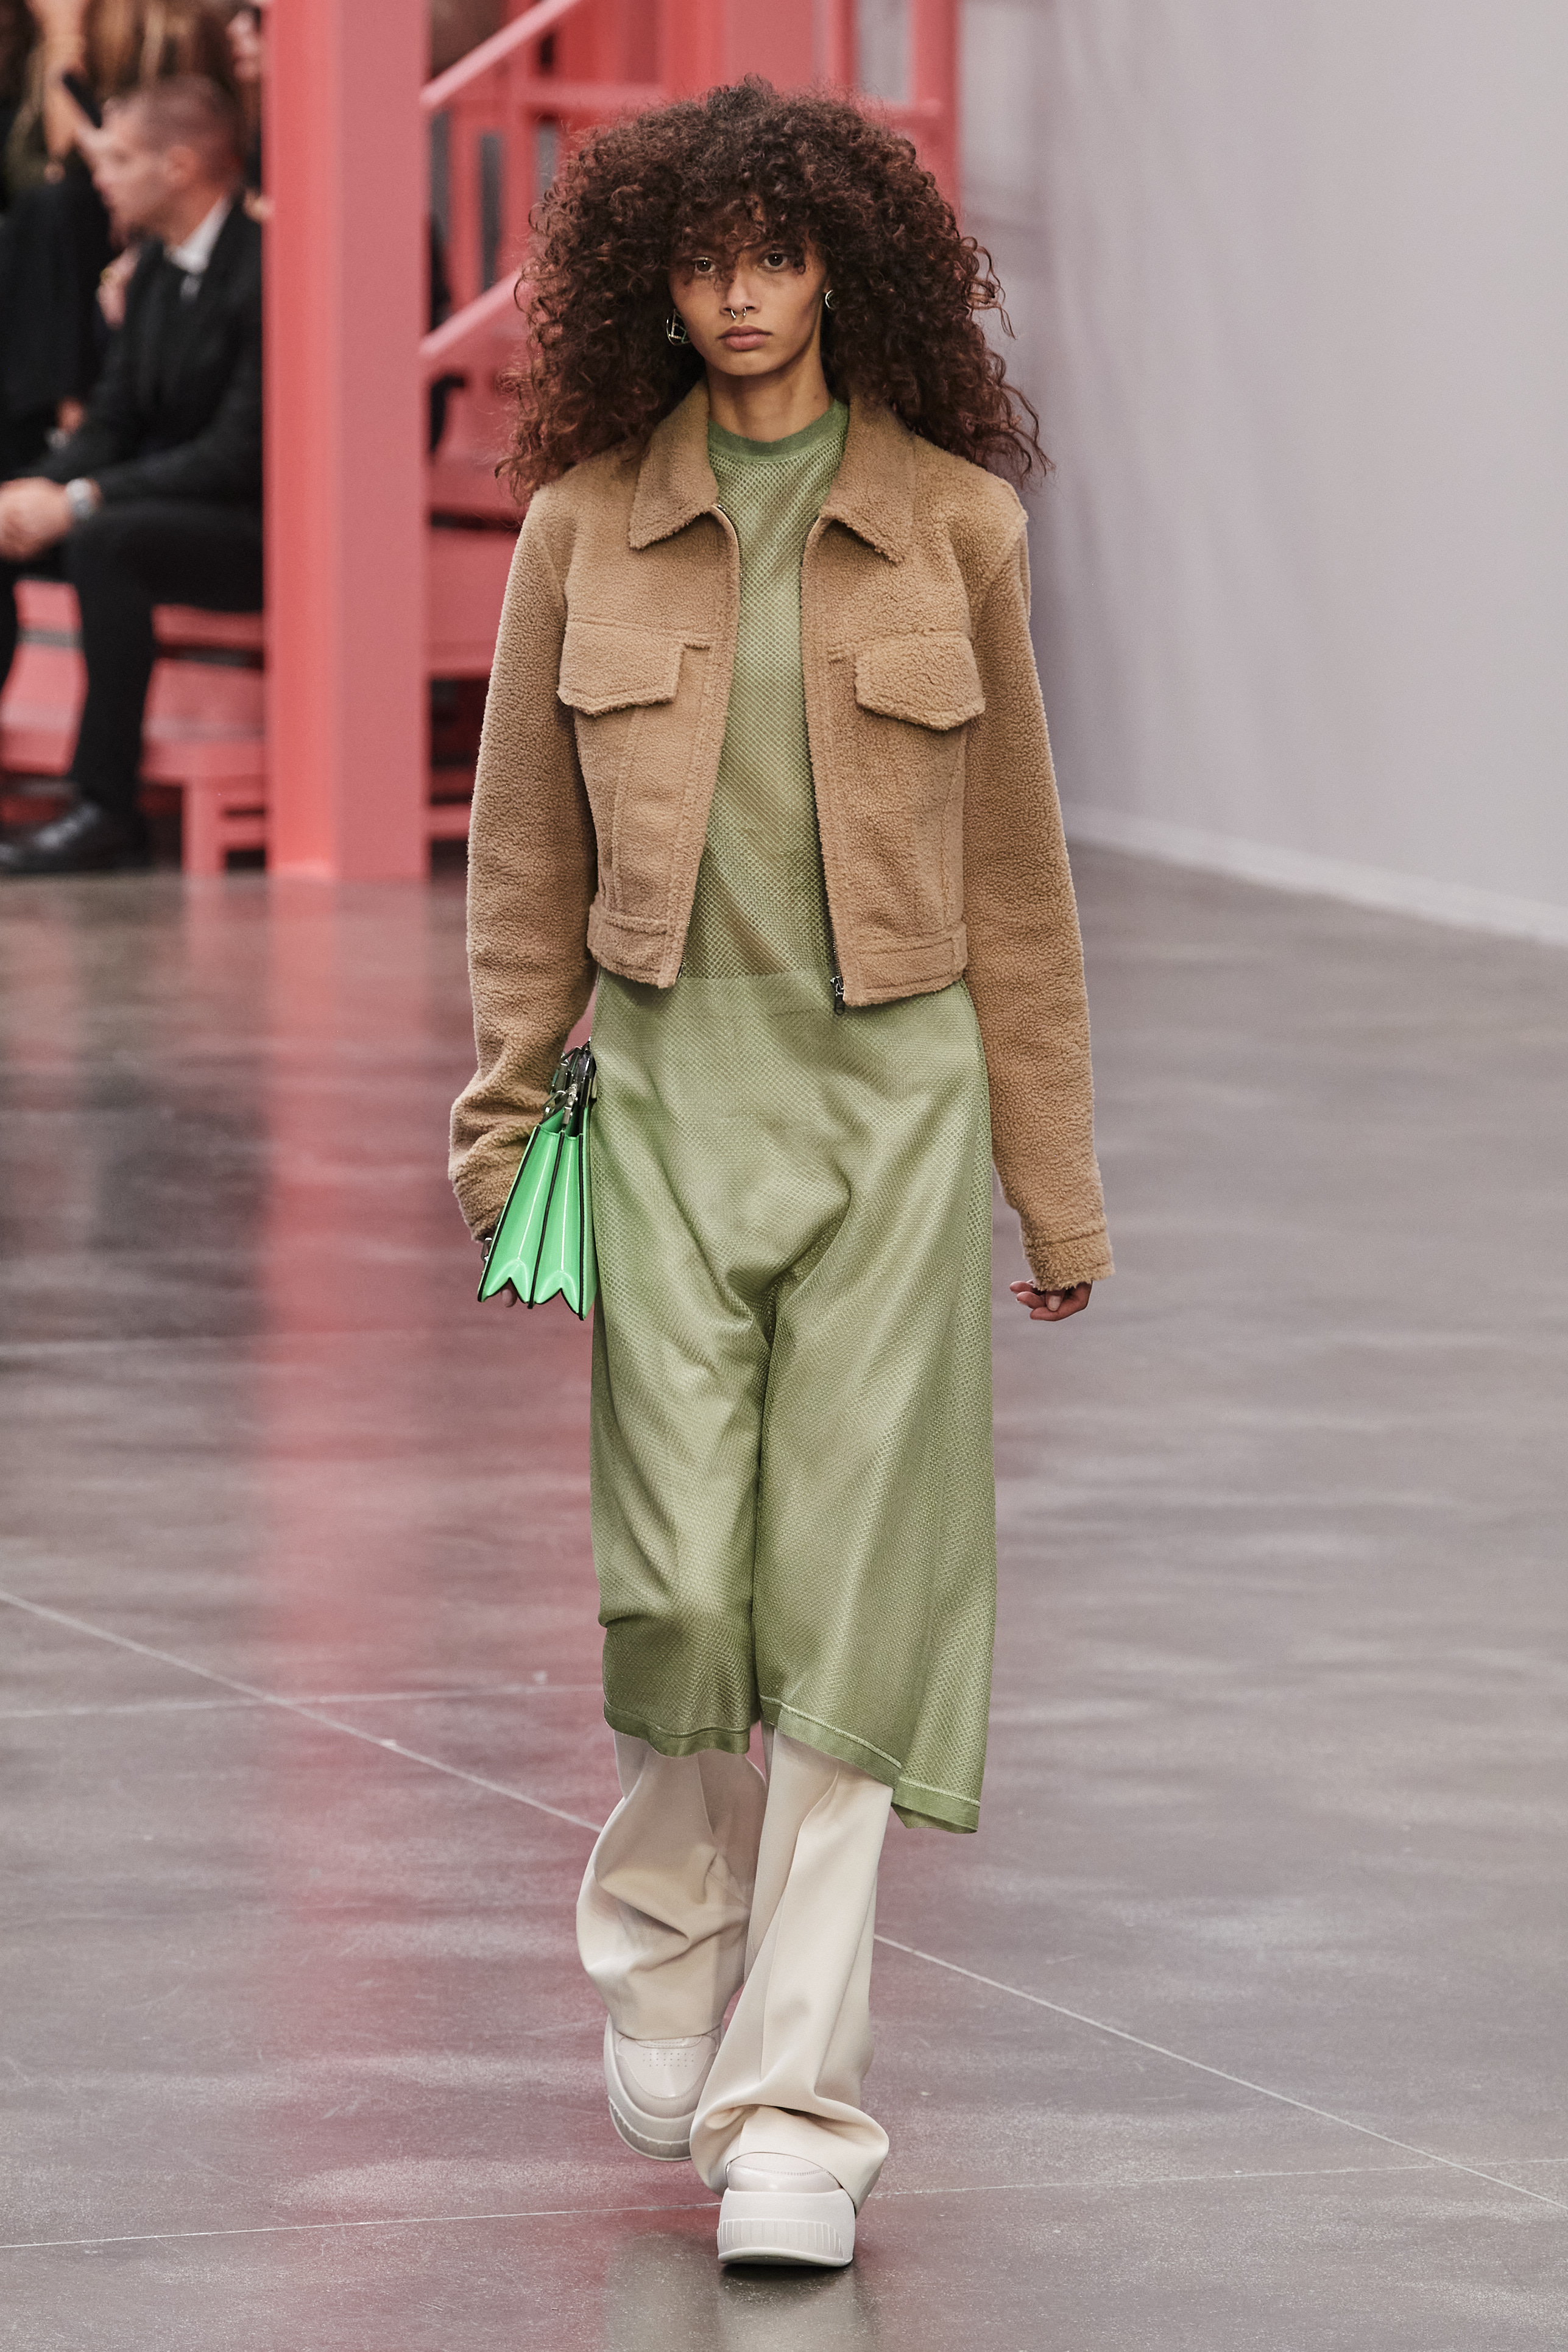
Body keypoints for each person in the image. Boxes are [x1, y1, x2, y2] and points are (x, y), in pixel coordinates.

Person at [449, 79, 1113, 2270]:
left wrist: (1052, 1182)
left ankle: (795, 2112)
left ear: (842, 271)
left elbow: (1015, 879)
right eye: (702, 261)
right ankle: (662, 1924)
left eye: (777, 255)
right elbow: (521, 865)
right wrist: (498, 1122)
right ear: (652, 286)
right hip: (667, 1102)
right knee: (675, 1588)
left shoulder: (955, 527)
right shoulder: (578, 530)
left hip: (891, 1122)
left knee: (848, 1606)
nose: (739, 296)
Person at [0, 72, 260, 875]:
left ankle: (107, 808)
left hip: (252, 523)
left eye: (117, 159)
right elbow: (112, 421)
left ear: (178, 167)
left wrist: (81, 500)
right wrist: (35, 492)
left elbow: (236, 453)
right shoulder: (153, 269)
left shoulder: (262, 268)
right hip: (161, 501)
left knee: (104, 542)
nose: (99, 176)